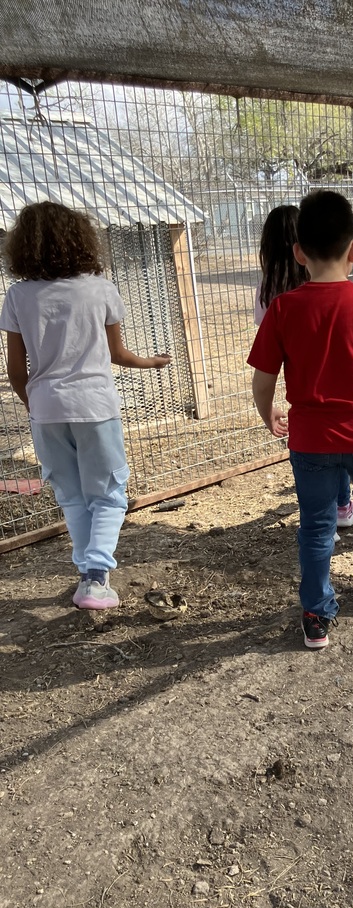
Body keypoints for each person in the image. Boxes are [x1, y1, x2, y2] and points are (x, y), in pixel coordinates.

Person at [0, 201, 171, 609]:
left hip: (46, 409)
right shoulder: (100, 288)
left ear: (23, 246)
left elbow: (15, 368)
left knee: (71, 496)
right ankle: (96, 576)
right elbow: (117, 353)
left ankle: (87, 576)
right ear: (81, 240)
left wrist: (35, 405)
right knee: (109, 494)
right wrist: (150, 361)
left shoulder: (18, 295)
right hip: (95, 406)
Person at [248, 190, 353, 650]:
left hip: (310, 439)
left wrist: (267, 412)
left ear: (298, 252)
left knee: (316, 523)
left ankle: (316, 613)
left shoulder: (283, 308)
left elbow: (263, 378)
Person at [255, 204, 353, 534]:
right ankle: (342, 503)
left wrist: (267, 407)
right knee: (338, 442)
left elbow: (267, 352)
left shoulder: (267, 292)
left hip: (299, 386)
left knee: (311, 449)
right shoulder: (320, 282)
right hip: (339, 383)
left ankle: (321, 507)